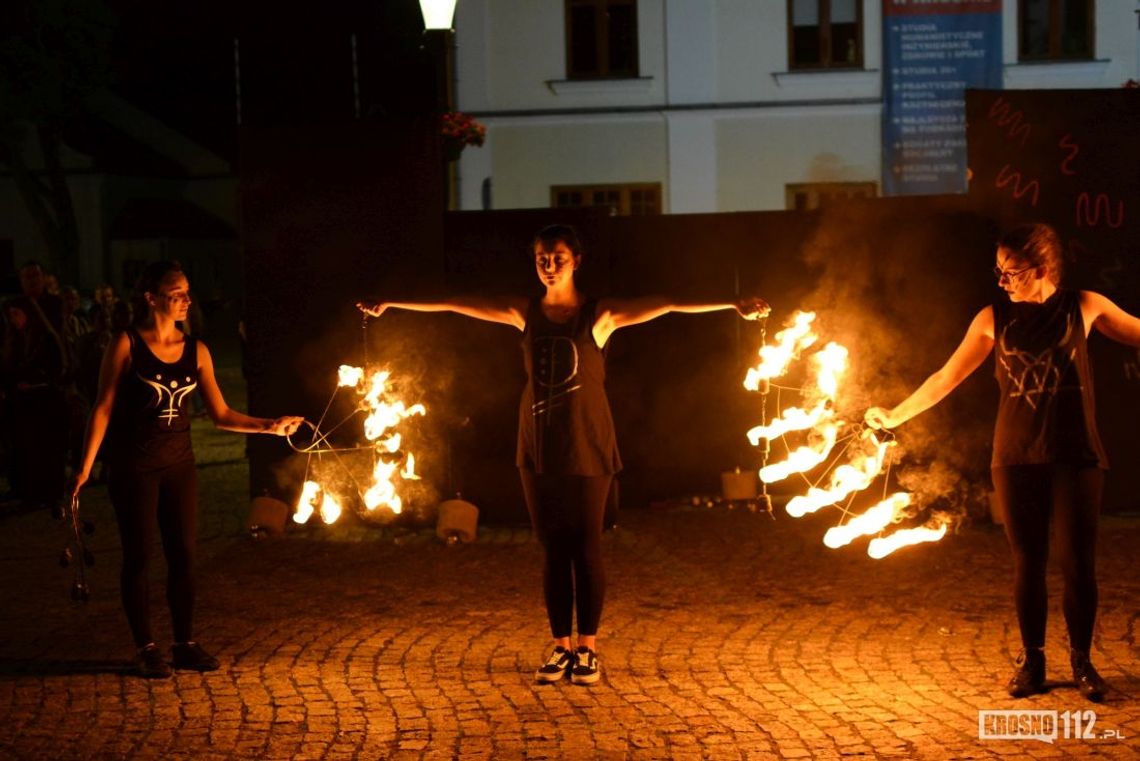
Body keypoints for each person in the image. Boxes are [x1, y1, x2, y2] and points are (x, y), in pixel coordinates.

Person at [358, 224, 769, 685]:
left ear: (576, 260)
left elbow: (669, 302)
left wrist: (733, 302)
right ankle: (559, 647)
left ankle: (588, 649)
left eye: (557, 257)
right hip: (537, 446)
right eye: (541, 258)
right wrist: (392, 302)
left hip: (589, 442)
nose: (548, 266)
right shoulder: (524, 312)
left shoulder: (600, 315)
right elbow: (456, 302)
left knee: (586, 547)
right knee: (553, 549)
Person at [865, 223, 1140, 702]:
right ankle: (1033, 661)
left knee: (1078, 563)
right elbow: (946, 377)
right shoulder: (992, 317)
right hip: (1014, 457)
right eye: (999, 271)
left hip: (1077, 454)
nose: (1002, 281)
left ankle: (1082, 662)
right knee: (1027, 561)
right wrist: (895, 415)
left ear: (1042, 268)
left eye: (1011, 272)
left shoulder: (1085, 305)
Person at [72, 261, 304, 679]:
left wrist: (270, 426)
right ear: (152, 298)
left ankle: (184, 643)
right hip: (134, 467)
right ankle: (145, 647)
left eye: (187, 292)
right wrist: (84, 468)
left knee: (183, 556)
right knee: (139, 557)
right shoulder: (125, 344)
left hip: (179, 466)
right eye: (176, 293)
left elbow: (220, 414)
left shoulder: (197, 350)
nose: (186, 300)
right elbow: (103, 406)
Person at [0, 296, 68, 512]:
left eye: (16, 314)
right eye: (10, 315)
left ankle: (49, 493)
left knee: (45, 449)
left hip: (44, 402)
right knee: (27, 450)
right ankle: (31, 491)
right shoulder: (16, 339)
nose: (14, 319)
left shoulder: (44, 338)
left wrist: (35, 382)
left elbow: (55, 368)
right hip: (24, 405)